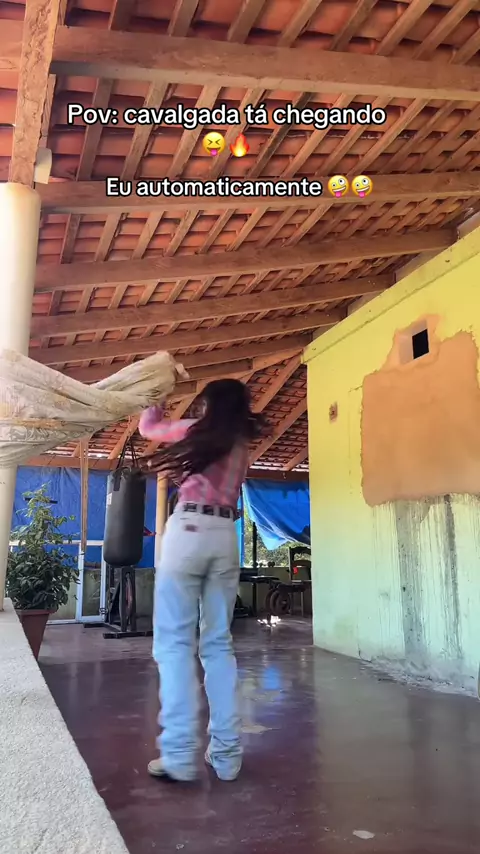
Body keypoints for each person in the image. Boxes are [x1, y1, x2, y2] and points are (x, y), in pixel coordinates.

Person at [139, 378, 264, 783]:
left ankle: (178, 755)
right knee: (218, 644)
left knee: (174, 643)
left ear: (209, 405)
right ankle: (226, 757)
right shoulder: (241, 446)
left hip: (189, 531)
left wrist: (154, 397)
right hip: (225, 537)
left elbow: (149, 429)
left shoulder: (196, 431)